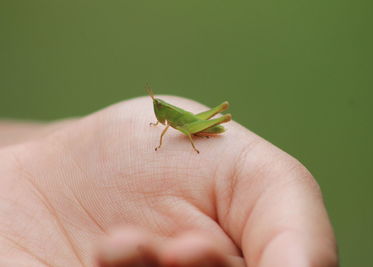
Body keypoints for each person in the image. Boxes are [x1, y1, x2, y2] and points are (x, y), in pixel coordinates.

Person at [0, 96, 338, 267]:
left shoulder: (174, 120)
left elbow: (177, 127)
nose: (158, 113)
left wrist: (190, 139)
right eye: (157, 109)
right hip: (189, 130)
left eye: (159, 108)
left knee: (217, 116)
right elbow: (165, 129)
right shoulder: (164, 120)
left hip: (198, 128)